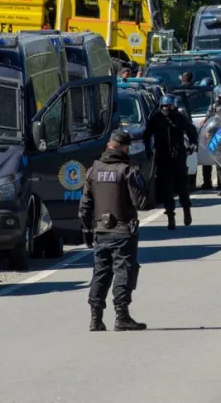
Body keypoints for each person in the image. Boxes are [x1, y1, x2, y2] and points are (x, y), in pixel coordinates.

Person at [80, 130, 151, 332]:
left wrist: (86, 228)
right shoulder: (127, 171)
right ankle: (122, 316)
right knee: (124, 271)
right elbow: (142, 203)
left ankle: (95, 319)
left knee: (100, 273)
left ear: (109, 145)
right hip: (123, 231)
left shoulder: (93, 170)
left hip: (100, 230)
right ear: (125, 148)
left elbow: (85, 204)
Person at [145, 94, 198, 230]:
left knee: (182, 186)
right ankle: (170, 217)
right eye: (164, 106)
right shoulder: (156, 119)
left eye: (170, 106)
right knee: (165, 188)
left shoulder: (180, 118)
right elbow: (146, 134)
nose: (167, 108)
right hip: (162, 157)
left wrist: (193, 144)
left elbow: (191, 131)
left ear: (175, 106)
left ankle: (186, 210)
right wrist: (148, 150)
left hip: (178, 156)